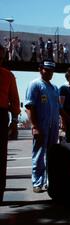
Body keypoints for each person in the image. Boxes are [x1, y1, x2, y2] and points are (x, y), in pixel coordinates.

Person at [25, 60, 70, 193]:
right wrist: (34, 126)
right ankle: (37, 183)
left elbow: (60, 108)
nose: (49, 73)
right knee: (39, 154)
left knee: (52, 155)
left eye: (51, 70)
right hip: (41, 125)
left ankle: (50, 181)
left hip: (53, 127)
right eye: (46, 70)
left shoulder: (54, 88)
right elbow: (29, 107)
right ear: (40, 69)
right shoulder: (35, 85)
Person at [0, 43, 21, 203]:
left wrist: (14, 122)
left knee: (1, 156)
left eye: (1, 56)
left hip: (1, 116)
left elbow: (14, 101)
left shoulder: (8, 75)